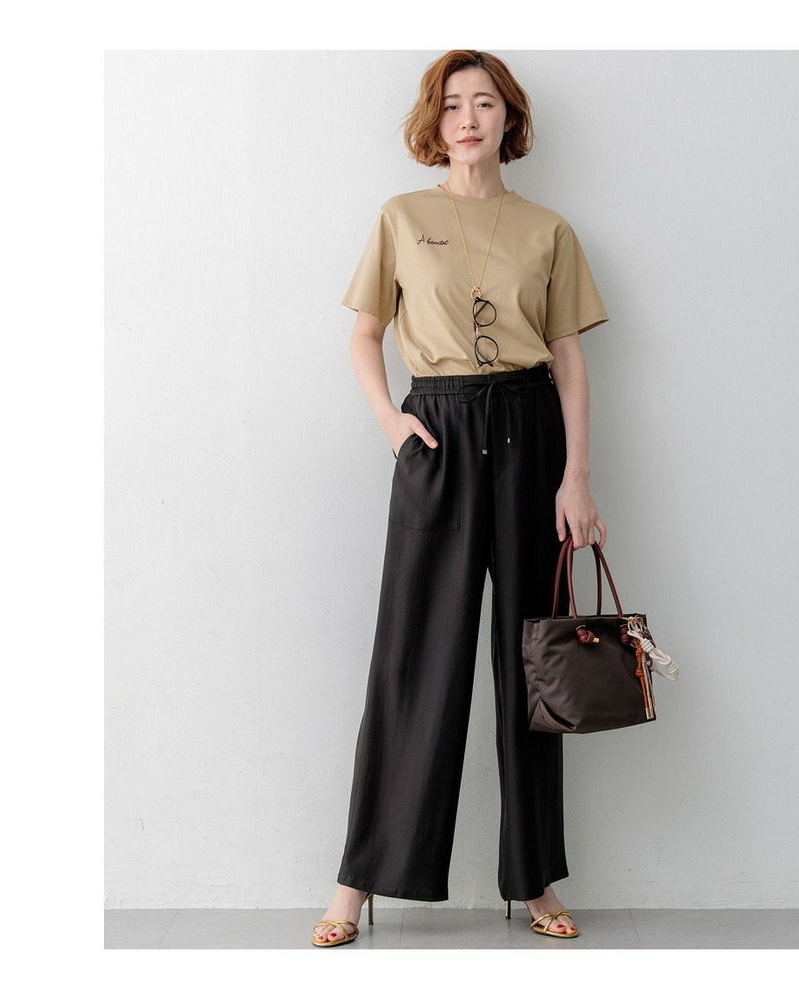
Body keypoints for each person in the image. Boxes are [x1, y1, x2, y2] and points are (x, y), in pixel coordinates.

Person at [312, 49, 609, 947]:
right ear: (433, 123)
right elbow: (366, 335)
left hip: (529, 438)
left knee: (536, 662)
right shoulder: (401, 217)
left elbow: (568, 359)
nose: (468, 119)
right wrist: (392, 424)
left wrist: (576, 476)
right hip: (435, 437)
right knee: (412, 659)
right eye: (451, 106)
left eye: (484, 103)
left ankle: (536, 878)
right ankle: (357, 884)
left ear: (508, 117)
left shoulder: (549, 229)